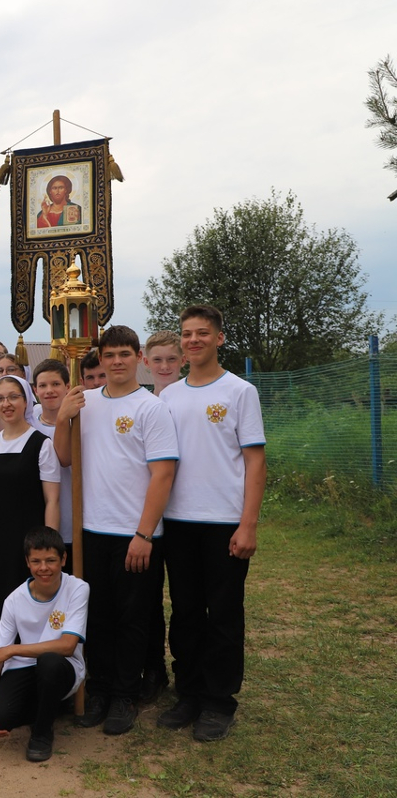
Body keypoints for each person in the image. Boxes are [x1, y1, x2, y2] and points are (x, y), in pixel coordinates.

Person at [54, 325, 178, 736]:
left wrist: (144, 534)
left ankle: (126, 694)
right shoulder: (84, 401)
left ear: (138, 357)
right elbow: (65, 458)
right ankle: (101, 689)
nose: (118, 361)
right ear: (101, 359)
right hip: (91, 530)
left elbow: (162, 474)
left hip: (135, 534)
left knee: (133, 618)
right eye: (110, 355)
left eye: (126, 353)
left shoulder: (151, 407)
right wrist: (63, 419)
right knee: (100, 617)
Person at [158, 305, 265, 742]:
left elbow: (255, 462)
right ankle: (189, 693)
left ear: (219, 338)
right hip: (177, 522)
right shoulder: (168, 397)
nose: (193, 340)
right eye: (186, 334)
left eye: (203, 333)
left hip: (223, 522)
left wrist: (249, 524)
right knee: (184, 613)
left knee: (222, 615)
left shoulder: (239, 392)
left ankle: (219, 702)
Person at [0, 375, 61, 703]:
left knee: (27, 614)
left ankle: (26, 688)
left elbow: (51, 500)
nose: (6, 404)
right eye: (0, 397)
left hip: (26, 545)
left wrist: (50, 551)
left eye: (13, 397)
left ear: (26, 402)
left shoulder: (41, 444)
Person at [0, 527, 88, 763]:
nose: (43, 568)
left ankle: (42, 732)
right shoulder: (14, 600)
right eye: (36, 561)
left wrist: (14, 649)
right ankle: (46, 704)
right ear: (27, 562)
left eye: (51, 560)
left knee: (49, 662)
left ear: (63, 559)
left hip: (62, 666)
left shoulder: (77, 588)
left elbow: (67, 646)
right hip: (26, 667)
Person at [139, 329, 185, 703]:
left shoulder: (185, 399)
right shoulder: (143, 403)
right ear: (146, 362)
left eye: (172, 359)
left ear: (182, 360)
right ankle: (153, 668)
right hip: (149, 518)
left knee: (185, 601)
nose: (165, 366)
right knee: (149, 599)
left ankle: (189, 672)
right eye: (158, 360)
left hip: (185, 515)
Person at [30, 359, 75, 571]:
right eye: (43, 386)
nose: (49, 391)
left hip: (75, 517)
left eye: (56, 384)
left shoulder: (82, 420)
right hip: (40, 515)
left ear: (68, 386)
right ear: (34, 390)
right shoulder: (29, 424)